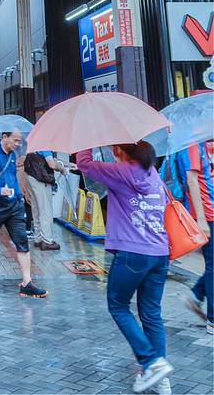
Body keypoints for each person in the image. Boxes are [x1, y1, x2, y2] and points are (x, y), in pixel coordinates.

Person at [77, 143, 173, 395]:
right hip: (160, 253)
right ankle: (161, 379)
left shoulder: (119, 171)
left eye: (113, 147)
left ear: (119, 150)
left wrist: (85, 141)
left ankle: (151, 362)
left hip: (132, 253)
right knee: (151, 314)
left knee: (118, 306)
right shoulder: (152, 173)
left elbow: (84, 164)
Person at [0, 130, 47, 298]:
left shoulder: (13, 155)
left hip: (14, 206)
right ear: (4, 137)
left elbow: (12, 177)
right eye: (15, 140)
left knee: (22, 240)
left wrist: (20, 195)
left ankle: (27, 283)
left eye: (19, 141)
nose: (17, 144)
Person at [177, 142, 213, 334]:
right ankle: (212, 319)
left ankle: (196, 295)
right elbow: (192, 181)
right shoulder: (191, 143)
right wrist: (201, 219)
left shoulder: (202, 143)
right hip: (207, 214)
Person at [23, 150, 70, 250]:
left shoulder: (37, 142)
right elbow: (51, 164)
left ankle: (38, 238)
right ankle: (47, 241)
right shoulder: (46, 144)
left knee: (36, 209)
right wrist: (62, 169)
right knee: (45, 210)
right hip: (40, 178)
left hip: (31, 175)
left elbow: (49, 158)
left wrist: (66, 164)